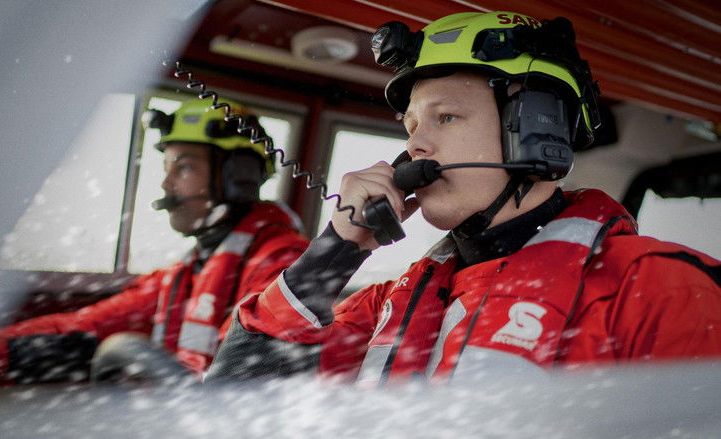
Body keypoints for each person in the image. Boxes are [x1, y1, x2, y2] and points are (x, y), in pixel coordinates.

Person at [206, 11, 721, 386]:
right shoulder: (386, 306)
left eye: (446, 117)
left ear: (536, 130)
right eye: (411, 126)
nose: (414, 146)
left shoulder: (663, 290)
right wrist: (334, 252)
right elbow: (236, 400)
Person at [0, 97, 308, 386]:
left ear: (238, 178)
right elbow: (86, 324)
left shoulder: (284, 265)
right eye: (167, 169)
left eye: (184, 168)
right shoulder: (186, 273)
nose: (166, 185)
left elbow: (244, 372)